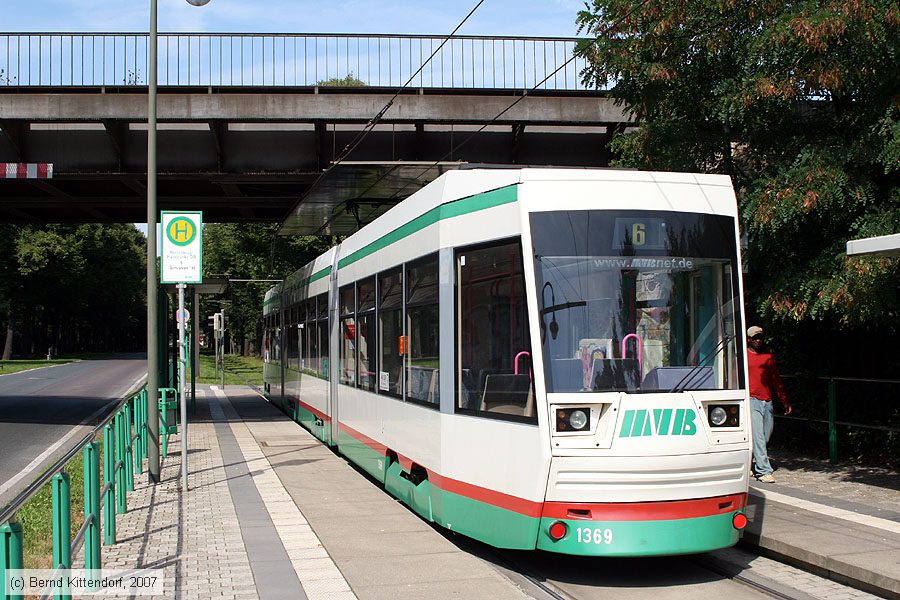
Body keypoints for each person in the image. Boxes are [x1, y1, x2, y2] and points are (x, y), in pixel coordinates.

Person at [747, 325, 792, 483]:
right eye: (755, 338)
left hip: (767, 400)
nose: (758, 340)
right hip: (751, 399)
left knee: (766, 434)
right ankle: (764, 471)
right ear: (749, 339)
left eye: (760, 337)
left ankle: (748, 462)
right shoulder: (743, 356)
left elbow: (776, 380)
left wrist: (784, 400)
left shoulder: (768, 357)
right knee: (758, 436)